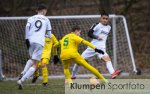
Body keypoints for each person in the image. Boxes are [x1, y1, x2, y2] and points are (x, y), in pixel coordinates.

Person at [72, 13, 121, 79]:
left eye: (106, 19)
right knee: (79, 61)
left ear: (108, 20)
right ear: (100, 18)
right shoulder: (96, 25)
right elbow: (89, 33)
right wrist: (96, 37)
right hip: (92, 47)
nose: (105, 20)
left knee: (107, 59)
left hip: (101, 48)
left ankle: (113, 73)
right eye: (103, 18)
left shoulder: (109, 27)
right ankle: (73, 75)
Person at [17, 4, 52, 89]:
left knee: (31, 60)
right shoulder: (46, 19)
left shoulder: (31, 18)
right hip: (39, 42)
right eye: (46, 11)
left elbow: (27, 27)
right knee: (35, 64)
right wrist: (47, 35)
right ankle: (22, 80)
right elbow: (49, 34)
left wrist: (26, 38)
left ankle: (23, 72)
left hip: (30, 41)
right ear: (44, 10)